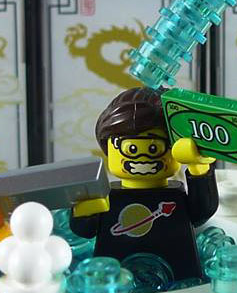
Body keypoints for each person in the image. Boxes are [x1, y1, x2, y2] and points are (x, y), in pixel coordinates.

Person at [70, 87, 218, 281]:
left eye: (155, 147)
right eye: (131, 148)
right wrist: (82, 214)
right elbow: (85, 231)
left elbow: (201, 212)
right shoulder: (108, 197)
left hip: (178, 273)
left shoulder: (175, 196)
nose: (142, 158)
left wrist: (199, 168)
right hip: (113, 279)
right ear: (108, 149)